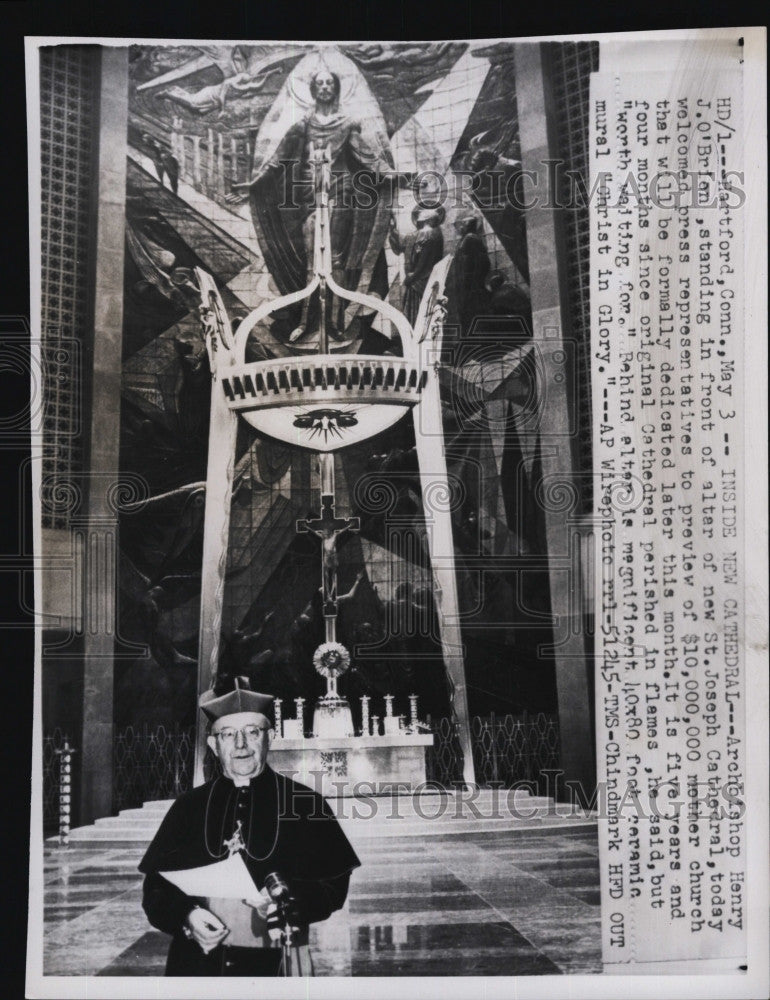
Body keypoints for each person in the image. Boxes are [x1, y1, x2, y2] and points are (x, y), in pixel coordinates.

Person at [138, 677, 360, 976]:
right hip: (196, 961)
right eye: (228, 735)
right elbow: (156, 887)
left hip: (277, 959)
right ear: (214, 745)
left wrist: (287, 902)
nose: (240, 744)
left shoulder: (306, 803)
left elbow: (333, 887)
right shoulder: (188, 807)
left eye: (252, 732)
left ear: (270, 738)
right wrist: (187, 915)